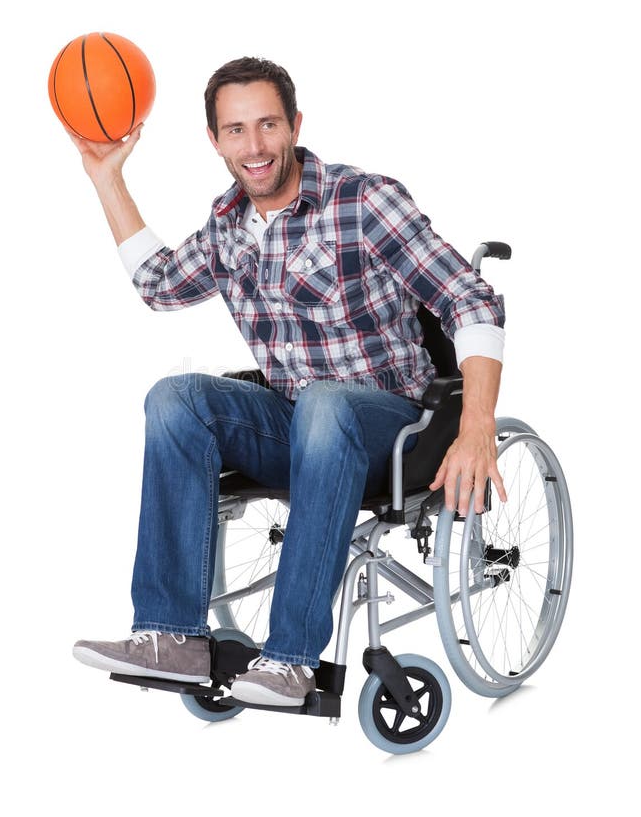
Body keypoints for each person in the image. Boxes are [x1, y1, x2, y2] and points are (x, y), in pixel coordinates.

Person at [71, 57, 506, 708]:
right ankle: (173, 637)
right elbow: (159, 285)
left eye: (268, 125)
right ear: (214, 141)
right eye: (236, 130)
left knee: (327, 403)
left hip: (395, 434)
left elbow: (469, 301)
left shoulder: (362, 200)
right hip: (296, 424)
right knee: (176, 398)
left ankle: (291, 660)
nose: (254, 146)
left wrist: (476, 427)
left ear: (294, 125)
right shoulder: (226, 226)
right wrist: (106, 176)